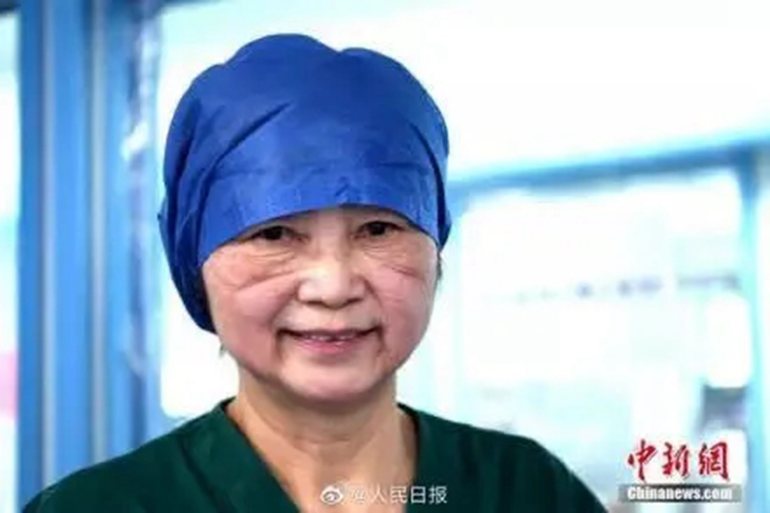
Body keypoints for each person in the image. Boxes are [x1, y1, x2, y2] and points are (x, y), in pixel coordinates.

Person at [24, 34, 606, 513]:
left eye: (378, 229)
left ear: (436, 251)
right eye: (275, 234)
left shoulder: (529, 492)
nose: (333, 286)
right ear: (194, 264)